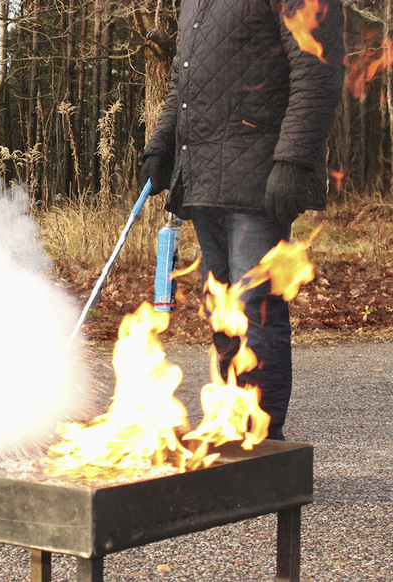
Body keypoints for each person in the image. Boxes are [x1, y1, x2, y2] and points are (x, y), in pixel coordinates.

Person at [139, 0, 344, 440]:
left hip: (260, 179)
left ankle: (264, 443)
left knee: (256, 311)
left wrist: (292, 160)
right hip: (203, 179)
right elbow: (184, 81)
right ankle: (234, 425)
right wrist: (161, 146)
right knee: (221, 310)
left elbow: (317, 71)